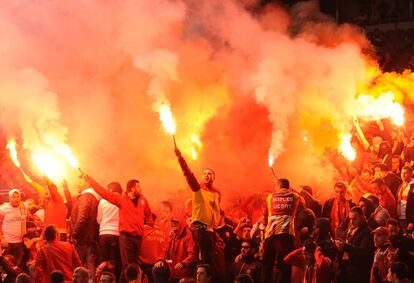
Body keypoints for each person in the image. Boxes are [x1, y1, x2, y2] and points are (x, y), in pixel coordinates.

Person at [85, 175, 151, 279]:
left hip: (138, 238)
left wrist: (152, 224)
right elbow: (103, 192)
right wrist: (90, 181)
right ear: (131, 189)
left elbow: (148, 214)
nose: (141, 189)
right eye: (138, 186)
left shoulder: (143, 200)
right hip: (126, 237)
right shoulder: (121, 199)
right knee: (128, 267)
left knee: (132, 266)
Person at [174, 147, 225, 280]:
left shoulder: (217, 193)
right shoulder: (198, 188)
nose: (207, 175)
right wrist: (180, 158)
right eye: (204, 173)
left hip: (211, 230)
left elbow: (216, 211)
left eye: (210, 173)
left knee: (212, 261)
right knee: (207, 262)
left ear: (214, 177)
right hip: (201, 229)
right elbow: (188, 174)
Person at [262, 178, 304, 283]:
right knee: (285, 264)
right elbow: (303, 205)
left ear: (277, 186)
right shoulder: (295, 197)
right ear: (288, 187)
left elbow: (265, 216)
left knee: (267, 264)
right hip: (287, 234)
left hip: (271, 233)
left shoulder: (270, 197)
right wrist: (293, 191)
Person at [152, 214, 198, 283]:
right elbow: (165, 250)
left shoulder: (188, 236)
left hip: (182, 272)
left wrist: (183, 263)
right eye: (172, 222)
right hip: (171, 269)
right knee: (157, 268)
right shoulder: (172, 235)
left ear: (181, 223)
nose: (173, 224)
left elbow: (192, 254)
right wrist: (160, 260)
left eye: (176, 222)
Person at [71, 177, 101, 280]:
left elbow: (82, 216)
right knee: (90, 263)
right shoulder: (95, 198)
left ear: (87, 184)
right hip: (91, 237)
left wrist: (74, 233)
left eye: (80, 182)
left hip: (82, 237)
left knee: (78, 265)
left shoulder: (85, 197)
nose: (77, 184)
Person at [336, 206, 375, 283]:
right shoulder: (350, 230)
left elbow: (363, 251)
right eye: (350, 219)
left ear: (362, 218)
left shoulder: (367, 232)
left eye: (354, 219)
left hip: (358, 272)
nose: (351, 222)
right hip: (347, 269)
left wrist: (345, 246)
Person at [97, 182, 122, 278]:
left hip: (103, 233)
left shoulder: (103, 201)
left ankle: (102, 280)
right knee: (114, 264)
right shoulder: (122, 200)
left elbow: (99, 219)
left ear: (110, 190)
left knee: (102, 263)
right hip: (117, 234)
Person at [0, 189, 28, 268]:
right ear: (9, 198)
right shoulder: (3, 209)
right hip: (8, 243)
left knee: (17, 267)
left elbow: (27, 219)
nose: (16, 199)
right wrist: (2, 239)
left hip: (20, 243)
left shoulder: (24, 207)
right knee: (6, 267)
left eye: (18, 196)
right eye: (13, 197)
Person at [396, 166, 414, 232]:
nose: (403, 175)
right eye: (402, 173)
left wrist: (412, 221)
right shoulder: (401, 185)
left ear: (411, 174)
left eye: (405, 173)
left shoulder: (412, 186)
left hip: (408, 218)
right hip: (400, 217)